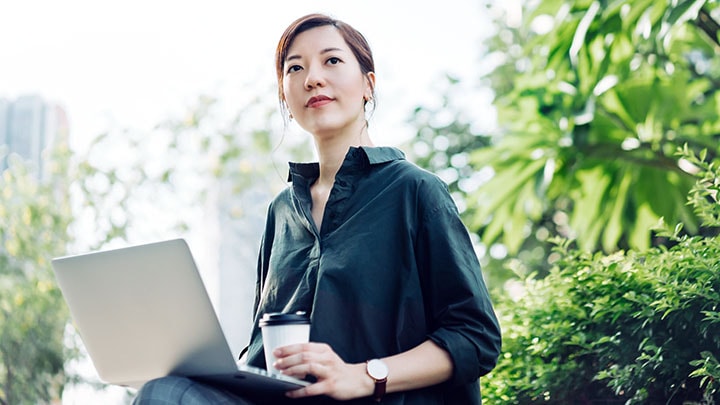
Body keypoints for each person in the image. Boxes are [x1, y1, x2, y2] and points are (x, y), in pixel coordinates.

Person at [134, 13, 501, 405]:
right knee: (164, 390)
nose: (312, 78)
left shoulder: (416, 192)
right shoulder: (282, 212)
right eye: (296, 68)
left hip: (377, 399)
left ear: (368, 85)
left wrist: (364, 376)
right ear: (286, 99)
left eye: (332, 61)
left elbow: (475, 337)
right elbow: (263, 348)